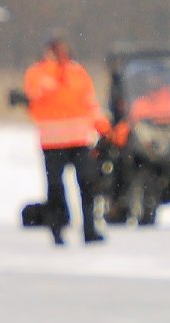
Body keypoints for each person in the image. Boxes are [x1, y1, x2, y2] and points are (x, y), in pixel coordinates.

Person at [16, 35, 111, 245]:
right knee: (56, 187)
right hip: (52, 142)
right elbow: (36, 95)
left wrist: (102, 126)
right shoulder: (38, 73)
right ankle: (57, 228)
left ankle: (89, 228)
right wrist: (52, 69)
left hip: (79, 139)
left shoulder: (78, 73)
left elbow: (89, 102)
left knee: (87, 184)